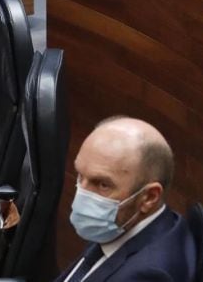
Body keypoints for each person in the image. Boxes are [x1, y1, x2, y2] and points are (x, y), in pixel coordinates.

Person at [57, 116, 195, 282]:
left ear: (149, 197)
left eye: (102, 184)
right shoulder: (124, 225)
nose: (82, 194)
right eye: (80, 175)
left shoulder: (146, 276)